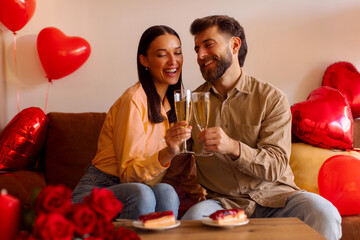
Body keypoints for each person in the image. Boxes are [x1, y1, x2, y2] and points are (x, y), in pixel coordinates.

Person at [182, 15, 342, 240]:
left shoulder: (271, 98)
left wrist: (233, 147)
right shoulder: (191, 104)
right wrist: (171, 146)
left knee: (324, 213)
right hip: (222, 203)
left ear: (235, 45)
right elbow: (180, 158)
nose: (200, 56)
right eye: (197, 49)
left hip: (277, 198)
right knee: (192, 222)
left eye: (208, 45)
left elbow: (276, 165)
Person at [72, 25, 196, 220]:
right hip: (98, 189)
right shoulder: (134, 100)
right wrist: (169, 152)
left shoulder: (174, 106)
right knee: (142, 193)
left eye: (178, 53)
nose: (173, 61)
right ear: (144, 60)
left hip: (139, 188)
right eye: (162, 55)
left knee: (167, 192)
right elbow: (128, 175)